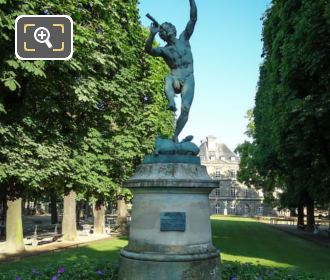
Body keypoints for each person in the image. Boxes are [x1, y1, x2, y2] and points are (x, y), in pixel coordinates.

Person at [145, 0, 197, 143]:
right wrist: (152, 34)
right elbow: (148, 50)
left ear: (173, 29)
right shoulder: (164, 50)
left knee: (185, 109)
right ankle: (171, 103)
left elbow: (193, 18)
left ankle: (175, 135)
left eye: (166, 28)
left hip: (188, 78)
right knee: (168, 78)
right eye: (162, 31)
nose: (164, 31)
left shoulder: (184, 38)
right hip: (175, 78)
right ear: (162, 36)